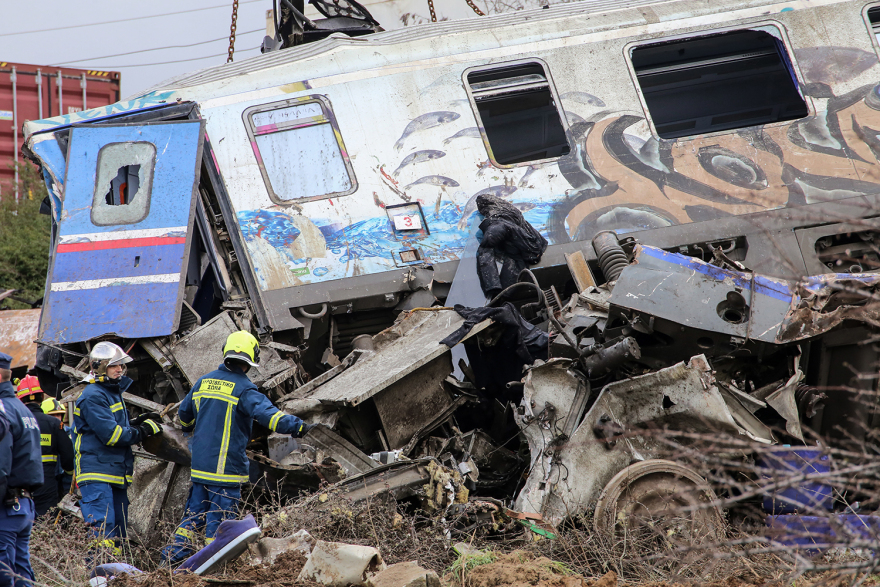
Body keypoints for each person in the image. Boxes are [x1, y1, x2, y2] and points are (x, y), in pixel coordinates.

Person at [162, 331, 313, 564]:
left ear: (226, 352)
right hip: (225, 472)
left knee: (191, 520)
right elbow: (272, 419)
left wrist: (192, 427)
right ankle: (214, 567)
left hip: (200, 467)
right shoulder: (245, 390)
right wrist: (301, 428)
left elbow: (184, 414)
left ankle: (168, 564)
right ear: (251, 359)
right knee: (220, 527)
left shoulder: (204, 381)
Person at [74, 342, 162, 544]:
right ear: (100, 367)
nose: (120, 369)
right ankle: (99, 575)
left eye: (121, 365)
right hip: (97, 474)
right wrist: (143, 431)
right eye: (114, 365)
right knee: (103, 532)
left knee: (119, 536)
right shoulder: (93, 395)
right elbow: (112, 435)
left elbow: (114, 426)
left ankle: (116, 575)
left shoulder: (111, 393)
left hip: (114, 473)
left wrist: (135, 423)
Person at [0, 352, 43, 587]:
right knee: (22, 576)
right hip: (23, 506)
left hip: (6, 508)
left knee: (5, 577)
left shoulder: (2, 410)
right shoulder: (23, 409)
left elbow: (0, 466)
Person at [15, 376, 74, 517]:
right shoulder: (53, 423)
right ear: (42, 396)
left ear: (21, 400)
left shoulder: (13, 423)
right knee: (46, 524)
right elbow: (68, 455)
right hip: (47, 482)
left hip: (19, 484)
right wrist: (69, 474)